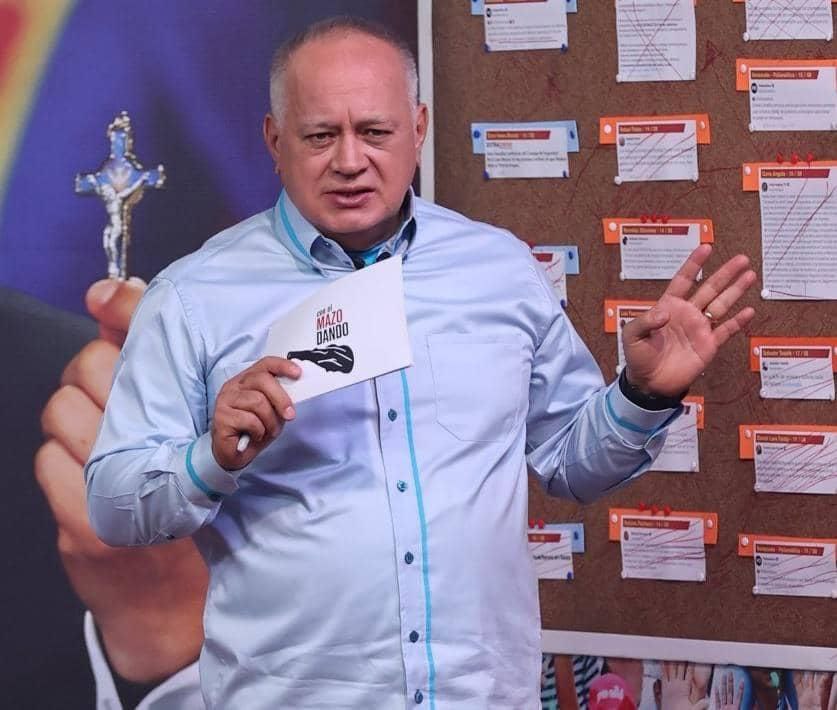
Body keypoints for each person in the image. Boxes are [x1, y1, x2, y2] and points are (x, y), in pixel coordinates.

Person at [85, 16, 756, 708]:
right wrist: (209, 457)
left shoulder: (498, 269)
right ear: (274, 140)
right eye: (320, 135)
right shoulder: (194, 296)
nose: (350, 161)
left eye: (375, 132)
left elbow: (569, 462)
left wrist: (640, 395)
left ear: (418, 127)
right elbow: (112, 506)